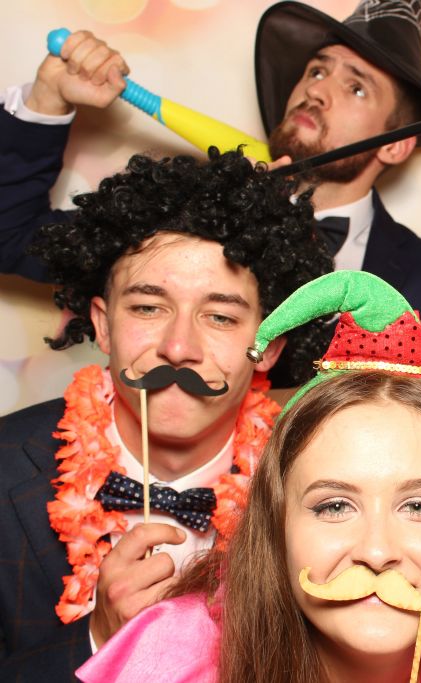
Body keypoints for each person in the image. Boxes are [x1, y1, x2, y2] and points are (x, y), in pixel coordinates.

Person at [77, 270, 421, 683]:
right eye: (334, 505)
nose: (376, 552)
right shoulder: (175, 661)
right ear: (275, 525)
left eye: (419, 506)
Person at [0, 149, 332, 679]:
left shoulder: (320, 489)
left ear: (269, 347)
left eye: (220, 317)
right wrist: (97, 640)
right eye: (148, 308)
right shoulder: (7, 471)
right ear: (103, 326)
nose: (178, 349)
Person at [0, 0, 421, 343]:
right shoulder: (185, 217)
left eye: (357, 88)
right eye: (317, 71)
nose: (317, 91)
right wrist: (47, 98)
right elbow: (11, 235)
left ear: (396, 144)